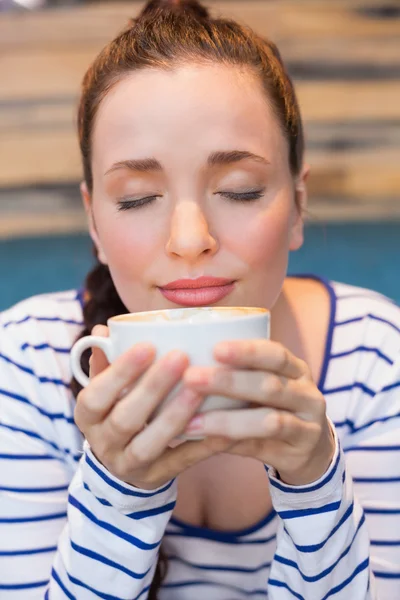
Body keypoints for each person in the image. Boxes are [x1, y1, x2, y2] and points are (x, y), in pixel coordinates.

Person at [0, 0, 399, 598]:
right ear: (93, 223)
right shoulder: (27, 363)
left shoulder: (379, 365)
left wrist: (317, 484)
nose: (190, 241)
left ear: (296, 204)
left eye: (239, 190)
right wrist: (118, 492)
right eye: (136, 198)